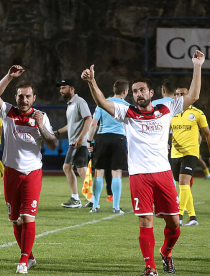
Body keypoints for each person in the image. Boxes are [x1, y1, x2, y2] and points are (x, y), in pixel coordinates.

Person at [81, 49, 204, 276]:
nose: (138, 94)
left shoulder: (166, 108)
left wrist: (197, 65)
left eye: (142, 90)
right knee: (145, 222)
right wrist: (92, 81)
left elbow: (193, 96)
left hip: (163, 174)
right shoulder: (127, 112)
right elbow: (101, 101)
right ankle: (150, 268)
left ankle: (166, 252)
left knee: (175, 225)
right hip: (140, 175)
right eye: (135, 91)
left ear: (151, 92)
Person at [0, 65, 57, 274]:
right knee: (15, 221)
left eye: (28, 97)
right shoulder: (8, 112)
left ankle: (23, 260)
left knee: (27, 218)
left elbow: (53, 144)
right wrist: (9, 76)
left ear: (34, 98)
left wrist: (41, 126)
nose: (24, 100)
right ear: (16, 97)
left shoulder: (41, 117)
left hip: (32, 173)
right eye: (21, 96)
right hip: (10, 173)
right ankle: (30, 256)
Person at [87, 80, 129, 213]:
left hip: (103, 138)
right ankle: (116, 207)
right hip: (119, 138)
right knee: (116, 172)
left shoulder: (103, 103)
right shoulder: (127, 106)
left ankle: (95, 206)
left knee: (99, 171)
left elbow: (93, 124)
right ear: (125, 91)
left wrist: (89, 141)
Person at [171, 87, 210, 226]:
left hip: (191, 153)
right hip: (175, 154)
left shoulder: (197, 114)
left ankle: (179, 216)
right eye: (177, 94)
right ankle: (193, 217)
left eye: (182, 94)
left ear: (188, 96)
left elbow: (207, 133)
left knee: (183, 182)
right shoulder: (170, 113)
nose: (179, 96)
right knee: (183, 187)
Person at [54, 79, 92, 208]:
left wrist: (81, 138)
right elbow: (70, 125)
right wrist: (57, 132)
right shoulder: (70, 104)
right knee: (79, 168)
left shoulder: (79, 102)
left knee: (72, 168)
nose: (61, 91)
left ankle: (79, 198)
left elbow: (89, 119)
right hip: (75, 141)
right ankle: (91, 199)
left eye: (63, 88)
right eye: (60, 88)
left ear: (71, 88)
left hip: (78, 142)